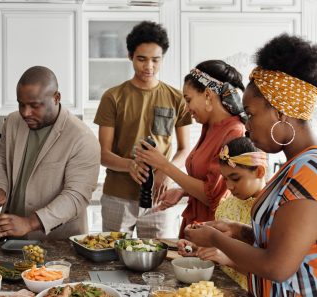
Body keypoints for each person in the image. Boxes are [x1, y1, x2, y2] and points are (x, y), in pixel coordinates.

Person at [184, 34, 317, 296]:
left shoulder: (308, 173)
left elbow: (278, 266)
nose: (247, 125)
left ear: (279, 113)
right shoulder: (295, 167)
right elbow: (286, 242)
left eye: (252, 114)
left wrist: (215, 239)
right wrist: (240, 232)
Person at [93, 21, 192, 238]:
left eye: (155, 60)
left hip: (159, 197)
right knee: (113, 259)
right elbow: (103, 154)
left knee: (159, 262)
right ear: (130, 56)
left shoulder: (176, 98)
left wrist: (165, 171)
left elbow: (185, 149)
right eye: (141, 59)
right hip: (117, 197)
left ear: (162, 58)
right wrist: (130, 165)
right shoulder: (113, 97)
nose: (148, 67)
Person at [0, 66, 100, 240]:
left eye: (34, 105)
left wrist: (29, 223)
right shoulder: (12, 121)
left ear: (56, 98)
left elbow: (75, 196)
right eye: (21, 104)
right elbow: (0, 160)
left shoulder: (82, 138)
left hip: (58, 244)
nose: (25, 112)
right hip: (10, 240)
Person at [137, 59, 247, 238]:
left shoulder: (234, 132)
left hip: (214, 233)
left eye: (188, 100)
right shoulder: (210, 126)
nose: (187, 109)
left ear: (208, 94)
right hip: (195, 226)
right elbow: (208, 181)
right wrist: (182, 191)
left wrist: (165, 166)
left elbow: (214, 197)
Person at [177, 137, 266, 290]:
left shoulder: (271, 211)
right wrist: (198, 249)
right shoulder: (226, 206)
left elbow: (271, 270)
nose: (230, 186)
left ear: (259, 171)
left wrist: (229, 260)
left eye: (236, 178)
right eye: (225, 179)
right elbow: (220, 250)